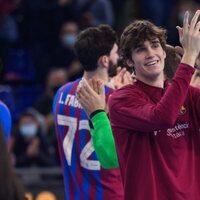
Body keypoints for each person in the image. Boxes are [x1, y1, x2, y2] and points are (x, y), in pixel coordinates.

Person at [107, 10, 200, 200]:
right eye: (141, 49)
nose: (150, 53)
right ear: (128, 61)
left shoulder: (187, 94)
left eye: (155, 45)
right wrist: (188, 58)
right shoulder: (121, 99)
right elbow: (162, 117)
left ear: (164, 53)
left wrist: (197, 63)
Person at [53, 25, 125, 200]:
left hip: (74, 194)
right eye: (116, 53)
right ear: (104, 61)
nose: (119, 57)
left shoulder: (62, 93)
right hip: (111, 194)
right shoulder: (116, 99)